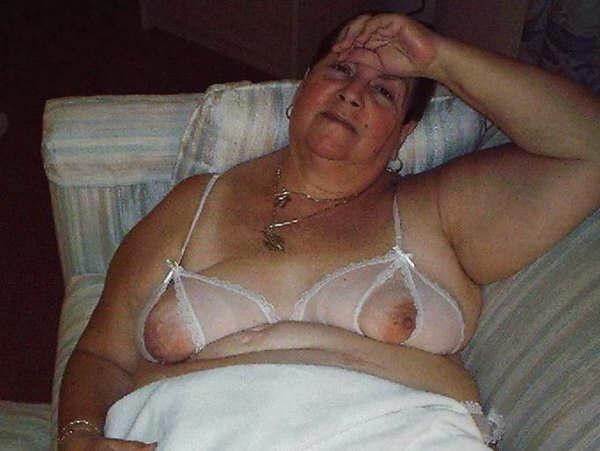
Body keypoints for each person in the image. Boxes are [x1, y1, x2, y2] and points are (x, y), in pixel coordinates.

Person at [57, 12, 600, 450]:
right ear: (302, 89)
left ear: (405, 132)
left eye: (384, 91)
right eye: (340, 70)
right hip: (188, 432)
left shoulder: (436, 209)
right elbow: (103, 354)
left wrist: (437, 57)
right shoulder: (194, 204)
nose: (352, 93)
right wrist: (78, 437)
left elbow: (588, 148)